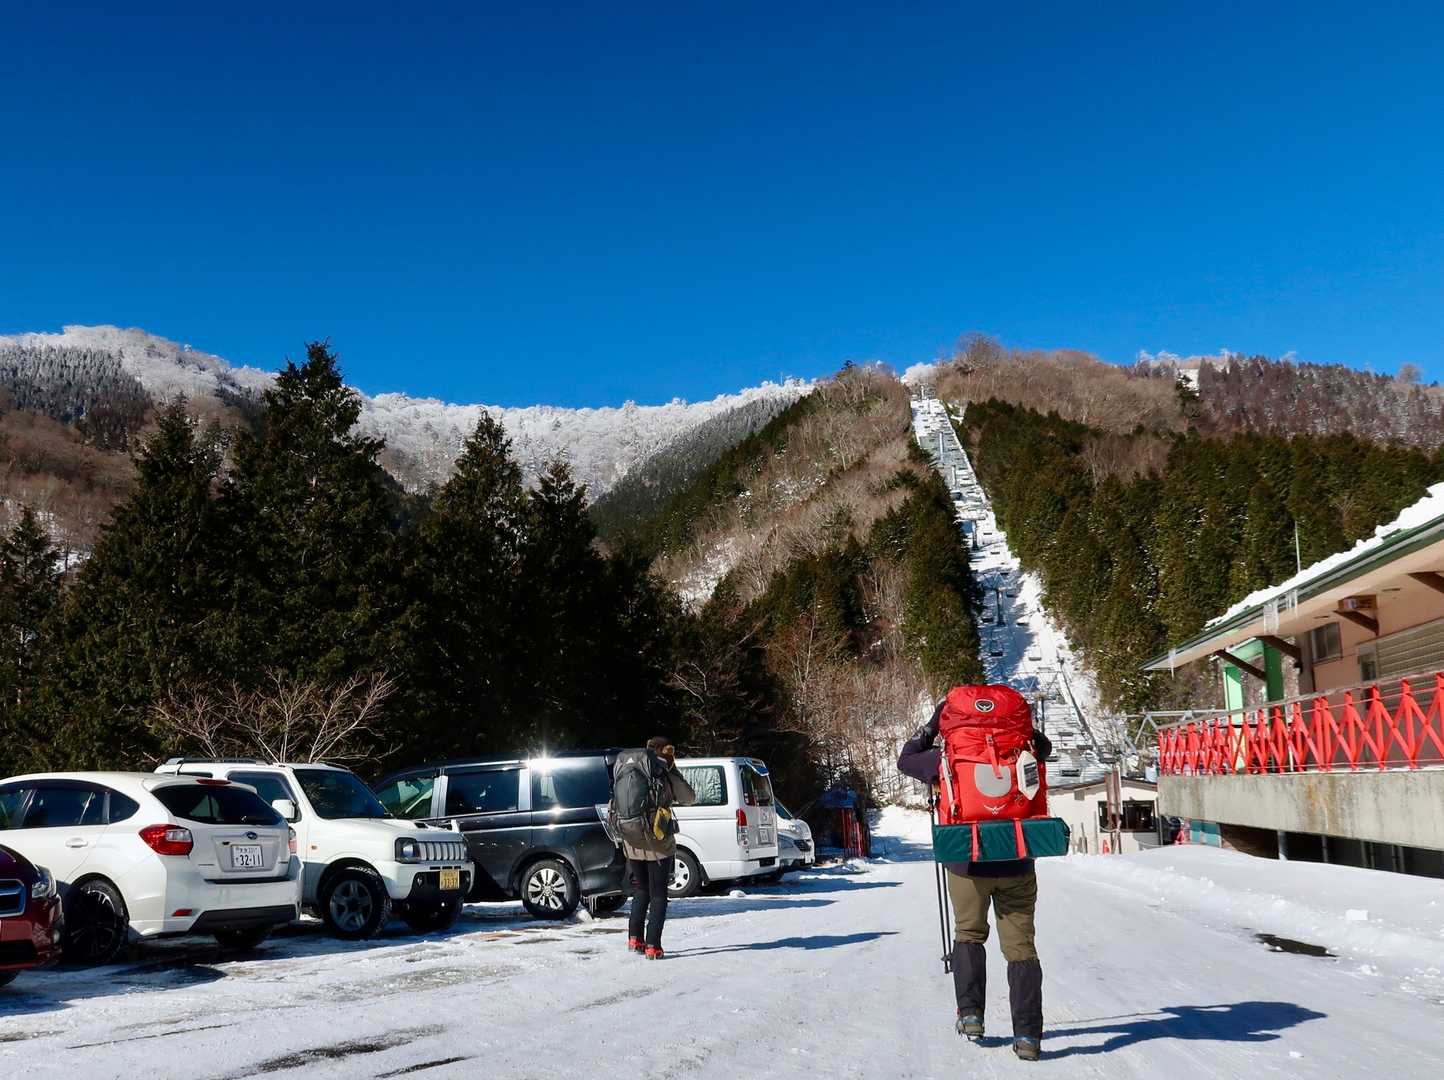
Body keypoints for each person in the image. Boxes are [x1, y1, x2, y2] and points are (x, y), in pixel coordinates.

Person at [897, 700, 1053, 1062]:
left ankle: (971, 1016)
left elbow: (906, 759)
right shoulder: (1023, 750)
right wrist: (1018, 729)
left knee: (968, 934)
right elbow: (1044, 748)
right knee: (1021, 948)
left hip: (967, 862)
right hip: (1017, 858)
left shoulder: (946, 756)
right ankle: (1028, 1035)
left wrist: (932, 727)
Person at [622, 736, 696, 959]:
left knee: (641, 889)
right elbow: (689, 798)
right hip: (658, 842)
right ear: (667, 751)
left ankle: (635, 938)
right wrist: (673, 770)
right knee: (658, 894)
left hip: (632, 839)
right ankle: (653, 945)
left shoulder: (632, 767)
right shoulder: (663, 770)